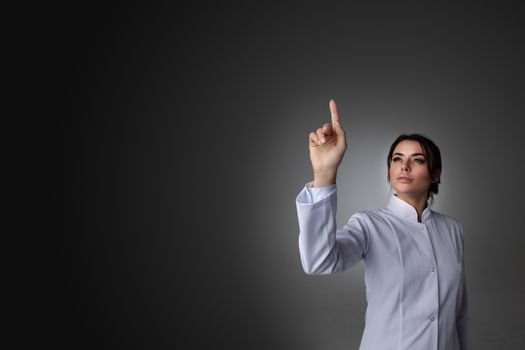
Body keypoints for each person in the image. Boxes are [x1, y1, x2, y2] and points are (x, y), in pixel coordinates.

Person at [295, 99, 470, 350]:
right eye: (397, 159)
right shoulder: (369, 225)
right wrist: (324, 174)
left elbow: (459, 314)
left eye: (418, 160)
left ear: (436, 174)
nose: (404, 166)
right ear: (389, 170)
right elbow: (318, 261)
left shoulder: (453, 230)